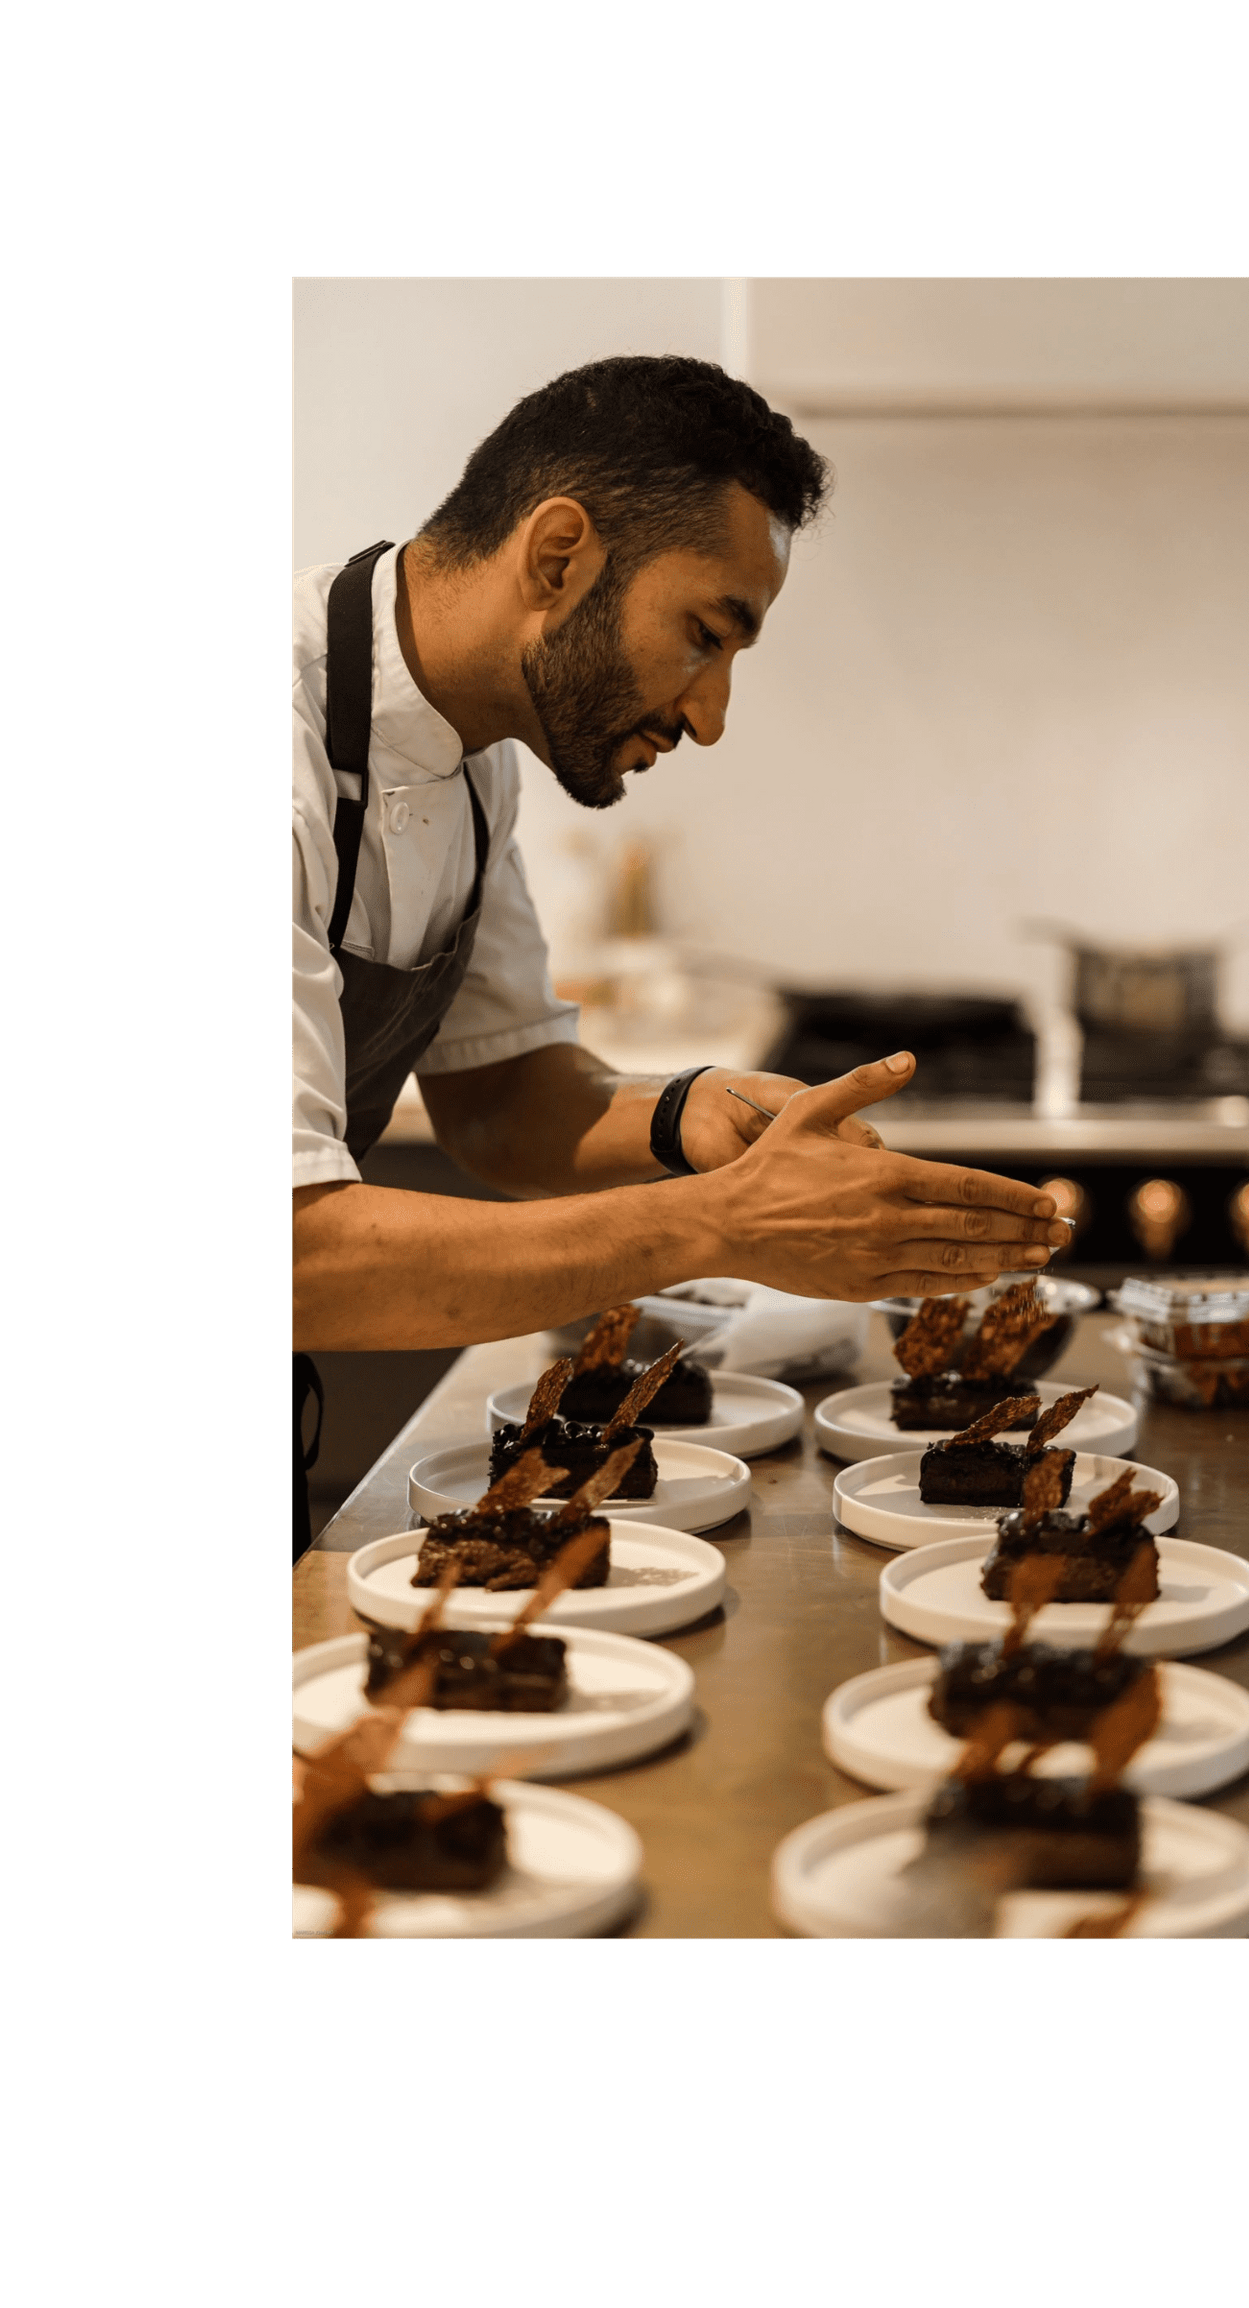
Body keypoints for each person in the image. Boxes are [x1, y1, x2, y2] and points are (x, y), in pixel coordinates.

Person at [291, 356, 1067, 1554]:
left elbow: (503, 1102)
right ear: (559, 556)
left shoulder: (478, 754)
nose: (709, 716)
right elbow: (296, 1255)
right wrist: (720, 1224)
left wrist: (689, 1116)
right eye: (705, 636)